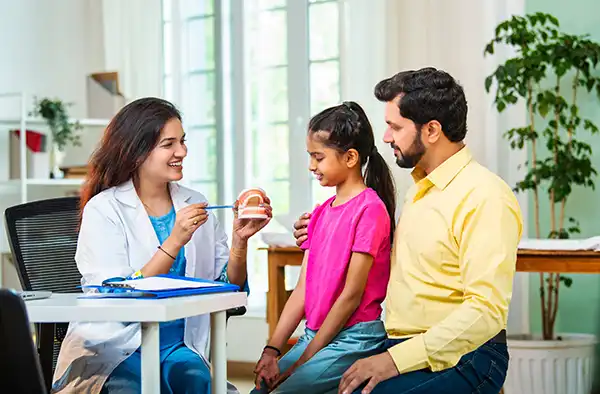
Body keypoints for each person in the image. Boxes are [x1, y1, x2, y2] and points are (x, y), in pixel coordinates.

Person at [292, 68, 523, 394]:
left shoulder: (485, 196)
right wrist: (325, 234)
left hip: (468, 356)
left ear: (431, 130)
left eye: (395, 127)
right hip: (401, 346)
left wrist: (393, 361)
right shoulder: (420, 191)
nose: (386, 137)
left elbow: (485, 312)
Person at [51, 97, 272, 394]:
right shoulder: (104, 210)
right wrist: (174, 241)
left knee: (200, 383)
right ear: (137, 151)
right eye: (168, 144)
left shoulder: (194, 203)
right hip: (118, 347)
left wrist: (240, 242)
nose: (181, 151)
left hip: (178, 345)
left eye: (182, 141)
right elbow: (119, 297)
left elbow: (229, 290)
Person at [252, 101, 396, 394]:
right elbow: (302, 291)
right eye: (310, 156)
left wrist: (301, 362)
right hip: (315, 335)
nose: (310, 165)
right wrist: (272, 351)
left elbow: (350, 297)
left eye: (318, 157)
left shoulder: (370, 210)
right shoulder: (320, 213)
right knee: (259, 390)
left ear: (351, 157)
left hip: (354, 339)